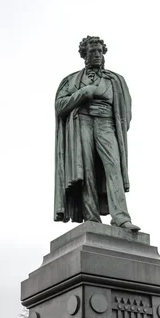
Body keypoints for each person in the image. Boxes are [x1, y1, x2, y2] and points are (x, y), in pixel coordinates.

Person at [54, 36, 140, 231]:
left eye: (100, 51)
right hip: (82, 121)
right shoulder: (71, 80)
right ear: (85, 55)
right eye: (93, 51)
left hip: (107, 123)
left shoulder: (116, 80)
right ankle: (91, 217)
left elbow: (126, 112)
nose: (97, 55)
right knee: (86, 170)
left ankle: (120, 217)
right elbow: (59, 106)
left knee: (113, 167)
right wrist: (83, 93)